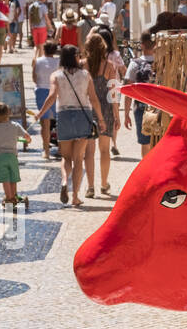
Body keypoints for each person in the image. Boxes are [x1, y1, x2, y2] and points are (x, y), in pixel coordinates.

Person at [36, 44, 104, 207]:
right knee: (78, 159)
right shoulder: (85, 75)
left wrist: (41, 113)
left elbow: (52, 96)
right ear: (75, 57)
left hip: (64, 116)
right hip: (83, 116)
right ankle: (75, 196)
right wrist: (101, 119)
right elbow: (93, 99)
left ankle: (65, 181)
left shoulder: (56, 75)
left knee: (66, 158)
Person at [84, 32, 119, 196]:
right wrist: (117, 115)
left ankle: (90, 187)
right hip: (105, 110)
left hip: (87, 110)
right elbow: (113, 93)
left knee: (88, 151)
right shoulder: (109, 66)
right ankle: (104, 184)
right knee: (104, 150)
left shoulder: (82, 65)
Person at [0, 102, 30, 206]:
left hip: (0, 157)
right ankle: (14, 196)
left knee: (5, 179)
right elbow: (27, 136)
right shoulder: (15, 126)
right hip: (12, 156)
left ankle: (9, 198)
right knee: (13, 178)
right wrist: (26, 140)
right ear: (9, 114)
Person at [122, 31, 156, 157]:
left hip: (141, 108)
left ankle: (147, 172)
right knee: (159, 142)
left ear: (141, 45)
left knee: (145, 143)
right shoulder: (162, 62)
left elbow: (129, 90)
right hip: (159, 109)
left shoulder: (135, 63)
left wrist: (126, 114)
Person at [93, 25, 125, 156]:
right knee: (113, 113)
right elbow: (123, 69)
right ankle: (113, 142)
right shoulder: (115, 55)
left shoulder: (94, 56)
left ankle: (98, 138)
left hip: (98, 87)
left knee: (98, 113)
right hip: (115, 87)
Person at [32, 40, 60, 160]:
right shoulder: (58, 61)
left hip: (41, 90)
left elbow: (34, 78)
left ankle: (46, 150)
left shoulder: (37, 61)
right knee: (59, 121)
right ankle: (62, 148)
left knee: (45, 122)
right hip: (56, 92)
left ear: (44, 49)